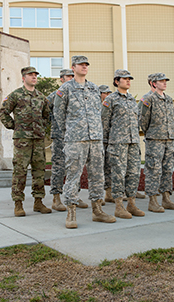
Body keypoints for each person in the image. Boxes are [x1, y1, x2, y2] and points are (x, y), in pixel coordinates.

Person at [54, 55, 116, 228]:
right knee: (73, 176)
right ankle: (71, 213)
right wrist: (71, 133)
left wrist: (96, 131)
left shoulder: (94, 88)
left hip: (95, 139)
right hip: (76, 140)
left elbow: (98, 112)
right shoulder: (65, 89)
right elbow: (59, 114)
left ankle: (97, 211)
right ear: (73, 68)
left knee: (98, 175)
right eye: (81, 65)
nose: (84, 67)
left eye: (86, 64)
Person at [0, 66, 52, 217]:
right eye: (31, 75)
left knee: (39, 171)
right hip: (22, 140)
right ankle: (18, 203)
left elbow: (47, 115)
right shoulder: (16, 95)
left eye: (35, 75)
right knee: (20, 171)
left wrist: (41, 127)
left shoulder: (41, 97)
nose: (34, 77)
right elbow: (3, 112)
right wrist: (14, 126)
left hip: (38, 140)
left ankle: (38, 202)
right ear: (24, 78)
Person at [101, 69, 145, 218]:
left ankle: (131, 204)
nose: (128, 81)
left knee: (133, 174)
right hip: (117, 143)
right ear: (116, 81)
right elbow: (104, 123)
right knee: (118, 175)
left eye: (129, 79)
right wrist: (107, 143)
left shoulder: (132, 99)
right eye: (125, 79)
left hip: (133, 142)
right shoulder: (110, 99)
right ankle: (119, 206)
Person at [47, 69, 88, 211]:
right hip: (60, 136)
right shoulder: (54, 95)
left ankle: (74, 196)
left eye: (72, 76)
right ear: (61, 79)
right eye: (68, 76)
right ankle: (56, 198)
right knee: (59, 167)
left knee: (76, 167)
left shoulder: (78, 94)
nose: (71, 78)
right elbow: (44, 112)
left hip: (76, 137)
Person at [139, 73, 174, 213]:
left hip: (169, 139)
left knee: (168, 169)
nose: (165, 83)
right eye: (161, 81)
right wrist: (151, 133)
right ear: (153, 83)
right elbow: (143, 120)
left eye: (165, 81)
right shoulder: (148, 99)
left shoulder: (168, 99)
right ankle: (153, 200)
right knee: (153, 170)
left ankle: (166, 198)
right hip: (155, 140)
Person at [99, 85, 114, 204]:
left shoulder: (110, 105)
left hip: (109, 139)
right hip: (99, 140)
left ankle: (109, 193)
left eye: (109, 93)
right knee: (99, 168)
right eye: (105, 93)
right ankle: (99, 195)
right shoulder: (95, 106)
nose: (107, 95)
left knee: (109, 167)